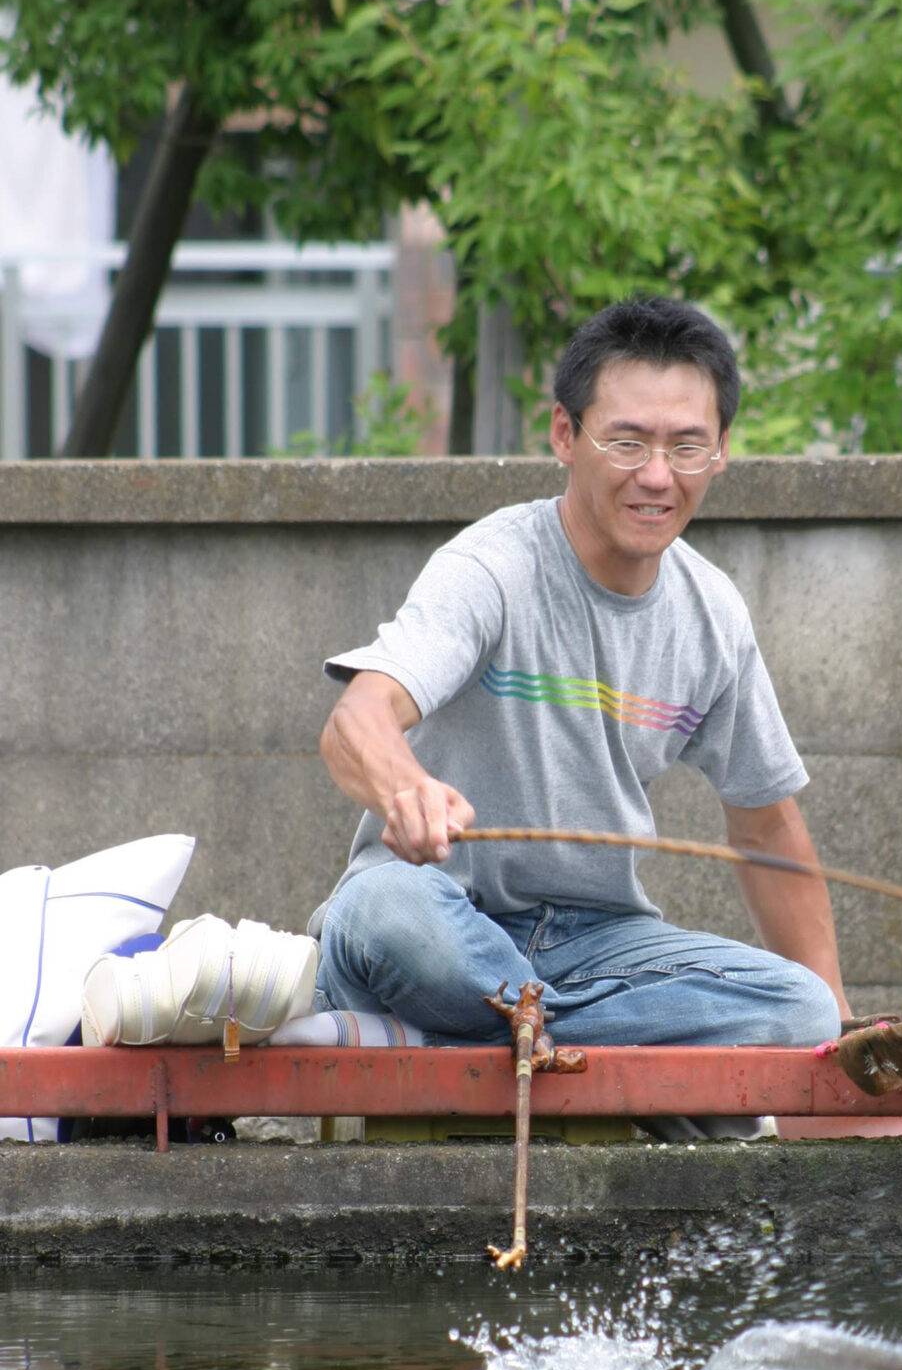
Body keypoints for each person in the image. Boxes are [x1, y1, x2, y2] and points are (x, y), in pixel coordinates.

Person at [311, 296, 849, 1065]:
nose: (657, 476)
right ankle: (558, 1035)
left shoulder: (713, 614)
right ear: (566, 433)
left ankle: (487, 1035)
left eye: (686, 446)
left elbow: (766, 829)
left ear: (723, 449)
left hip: (600, 946)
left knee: (800, 1007)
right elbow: (356, 719)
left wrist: (842, 1048)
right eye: (627, 442)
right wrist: (407, 790)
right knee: (386, 910)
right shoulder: (491, 566)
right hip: (443, 912)